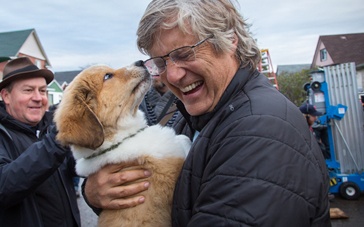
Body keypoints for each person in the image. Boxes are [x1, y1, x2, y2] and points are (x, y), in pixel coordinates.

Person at [83, 0, 331, 226]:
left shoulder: (261, 131)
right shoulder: (194, 115)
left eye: (185, 53)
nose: (172, 75)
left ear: (230, 40)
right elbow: (152, 198)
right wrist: (94, 191)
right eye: (161, 62)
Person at [0, 57, 81, 226]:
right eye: (28, 90)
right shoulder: (4, 134)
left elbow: (75, 170)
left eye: (43, 91)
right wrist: (59, 138)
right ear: (6, 96)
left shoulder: (51, 126)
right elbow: (4, 187)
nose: (38, 98)